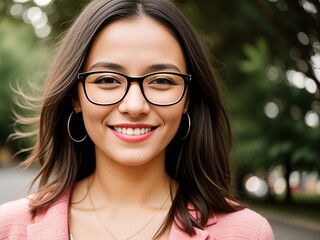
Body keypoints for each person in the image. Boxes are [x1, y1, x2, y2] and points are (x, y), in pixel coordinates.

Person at [0, 0, 274, 239]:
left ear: (187, 99)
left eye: (162, 80)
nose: (134, 106)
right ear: (76, 97)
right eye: (107, 79)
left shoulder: (247, 233)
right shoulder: (8, 227)